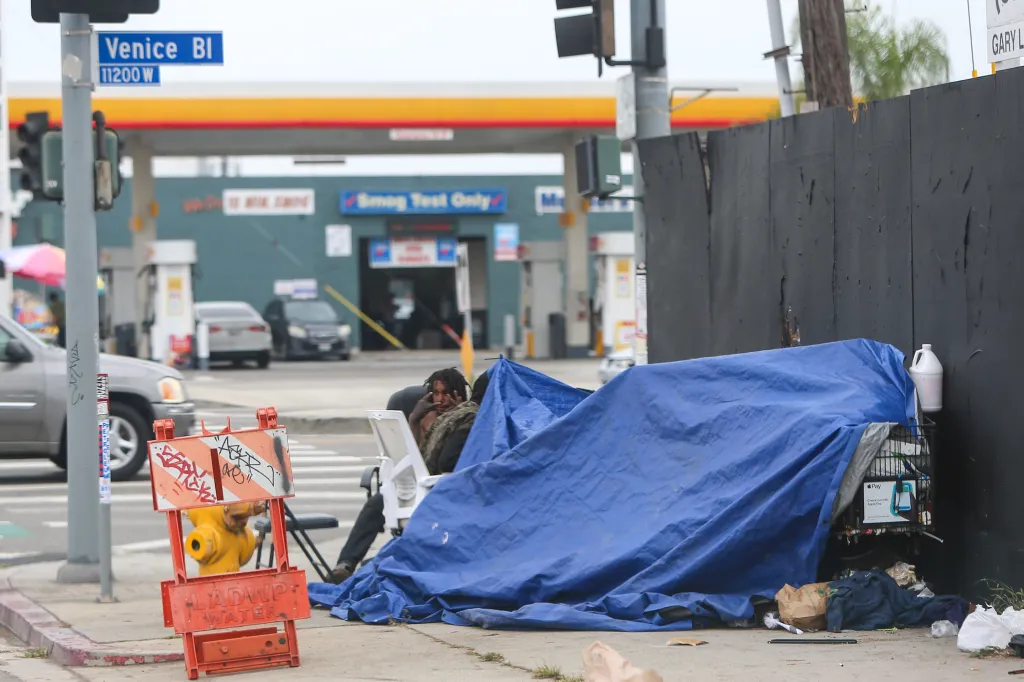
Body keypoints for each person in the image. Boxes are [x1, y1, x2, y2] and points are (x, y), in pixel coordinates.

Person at [330, 369, 490, 584]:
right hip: (414, 483)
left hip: (440, 489)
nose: (440, 399)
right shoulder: (428, 419)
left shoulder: (463, 421)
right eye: (436, 393)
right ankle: (345, 564)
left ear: (459, 395)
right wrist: (414, 420)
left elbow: (446, 463)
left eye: (446, 393)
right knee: (379, 501)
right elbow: (409, 456)